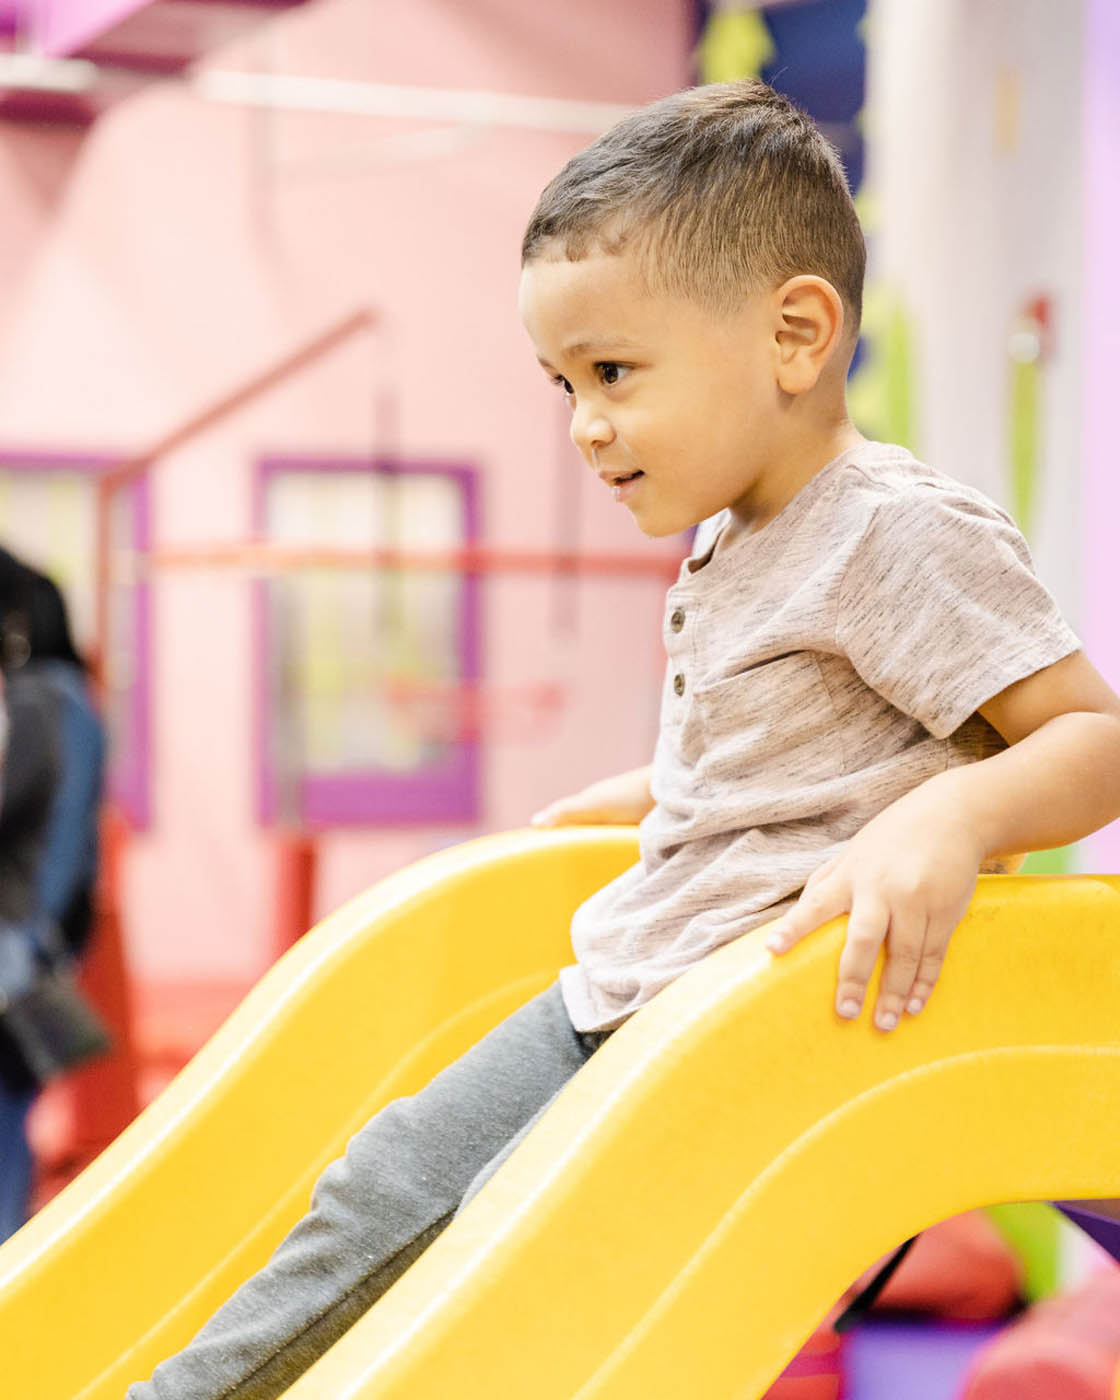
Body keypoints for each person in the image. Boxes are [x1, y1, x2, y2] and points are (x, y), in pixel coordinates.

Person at [128, 80, 1120, 1398]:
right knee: (399, 1183)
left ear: (795, 334)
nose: (586, 422)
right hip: (648, 999)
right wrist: (672, 795)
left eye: (613, 373)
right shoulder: (742, 537)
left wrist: (950, 819)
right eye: (563, 383)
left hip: (742, 1029)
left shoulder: (888, 527)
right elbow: (826, 755)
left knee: (442, 1218)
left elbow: (1091, 740)